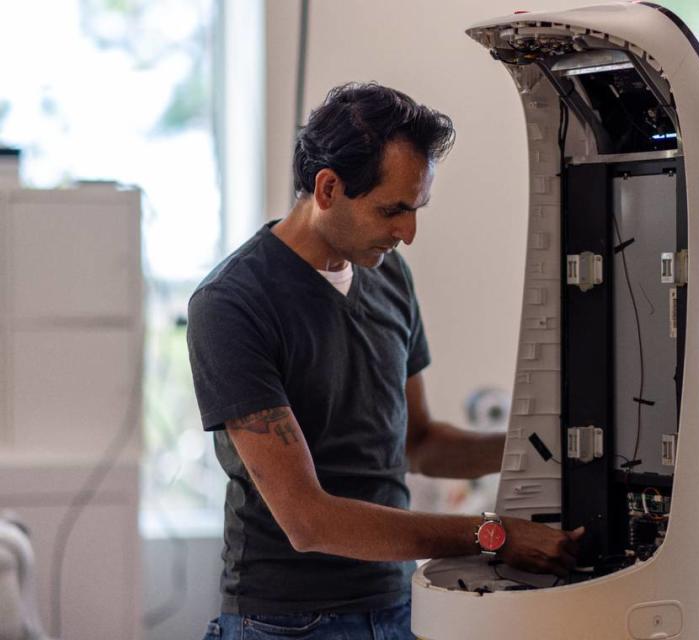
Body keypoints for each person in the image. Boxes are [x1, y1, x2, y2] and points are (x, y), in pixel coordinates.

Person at [187, 82, 583, 640]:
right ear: (328, 188)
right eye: (393, 210)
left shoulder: (388, 275)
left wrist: (547, 449)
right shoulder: (233, 302)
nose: (409, 233)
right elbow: (308, 520)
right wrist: (493, 535)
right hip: (286, 620)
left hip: (398, 605)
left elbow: (419, 444)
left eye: (416, 209)